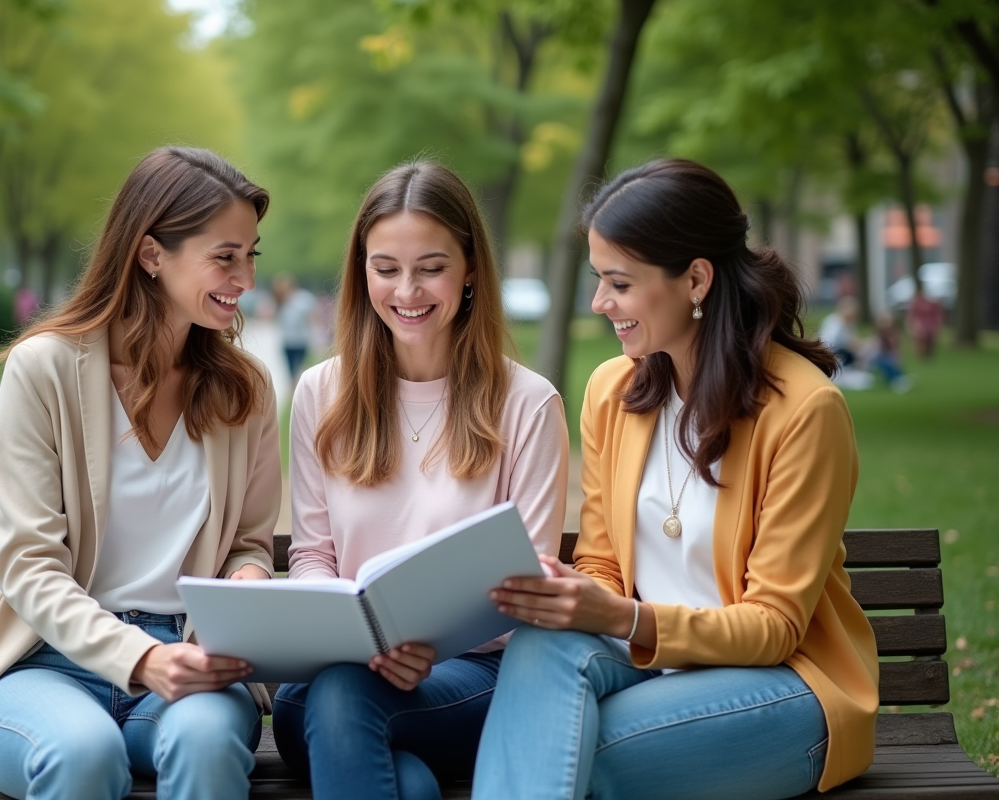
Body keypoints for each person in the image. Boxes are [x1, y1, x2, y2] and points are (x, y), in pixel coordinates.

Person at [476, 159, 878, 800]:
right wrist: (570, 596)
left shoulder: (804, 410)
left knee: (563, 753)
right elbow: (604, 565)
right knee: (538, 650)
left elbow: (774, 625)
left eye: (619, 283)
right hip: (649, 667)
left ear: (695, 279)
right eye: (597, 279)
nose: (599, 303)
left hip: (787, 686)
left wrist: (627, 618)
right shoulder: (613, 390)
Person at [0, 147, 281, 800]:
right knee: (83, 754)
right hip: (46, 661)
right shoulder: (44, 370)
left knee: (207, 743)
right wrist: (139, 658)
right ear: (152, 254)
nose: (245, 277)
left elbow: (248, 538)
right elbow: (29, 566)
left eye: (251, 255)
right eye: (225, 255)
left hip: (191, 658)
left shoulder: (247, 390)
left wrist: (247, 578)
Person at [272, 161, 570, 800]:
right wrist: (349, 634)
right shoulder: (321, 393)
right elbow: (313, 555)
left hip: (473, 678)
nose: (407, 291)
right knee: (357, 717)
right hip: (334, 674)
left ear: (470, 272)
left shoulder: (527, 404)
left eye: (431, 267)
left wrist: (424, 649)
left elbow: (534, 582)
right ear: (362, 273)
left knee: (358, 722)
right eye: (386, 269)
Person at [273, 273, 317, 385]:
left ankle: (302, 389)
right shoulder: (281, 302)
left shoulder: (302, 299)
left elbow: (311, 317)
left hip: (301, 340)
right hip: (288, 341)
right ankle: (294, 394)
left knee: (301, 369)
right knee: (291, 372)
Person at [907, 283, 943, 359]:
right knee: (920, 336)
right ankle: (921, 353)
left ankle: (928, 352)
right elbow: (912, 315)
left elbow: (936, 313)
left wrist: (937, 323)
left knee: (929, 337)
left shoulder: (931, 302)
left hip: (929, 323)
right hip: (920, 323)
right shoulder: (916, 303)